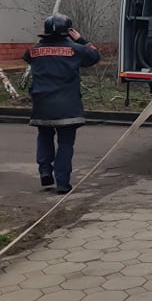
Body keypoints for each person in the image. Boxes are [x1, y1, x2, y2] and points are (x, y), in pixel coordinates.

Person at [23, 13, 100, 194]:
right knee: (65, 144)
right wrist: (81, 39)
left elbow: (27, 57)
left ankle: (44, 170)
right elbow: (95, 56)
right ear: (68, 31)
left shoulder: (34, 50)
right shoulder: (75, 49)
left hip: (42, 103)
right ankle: (63, 183)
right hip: (67, 105)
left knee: (44, 136)